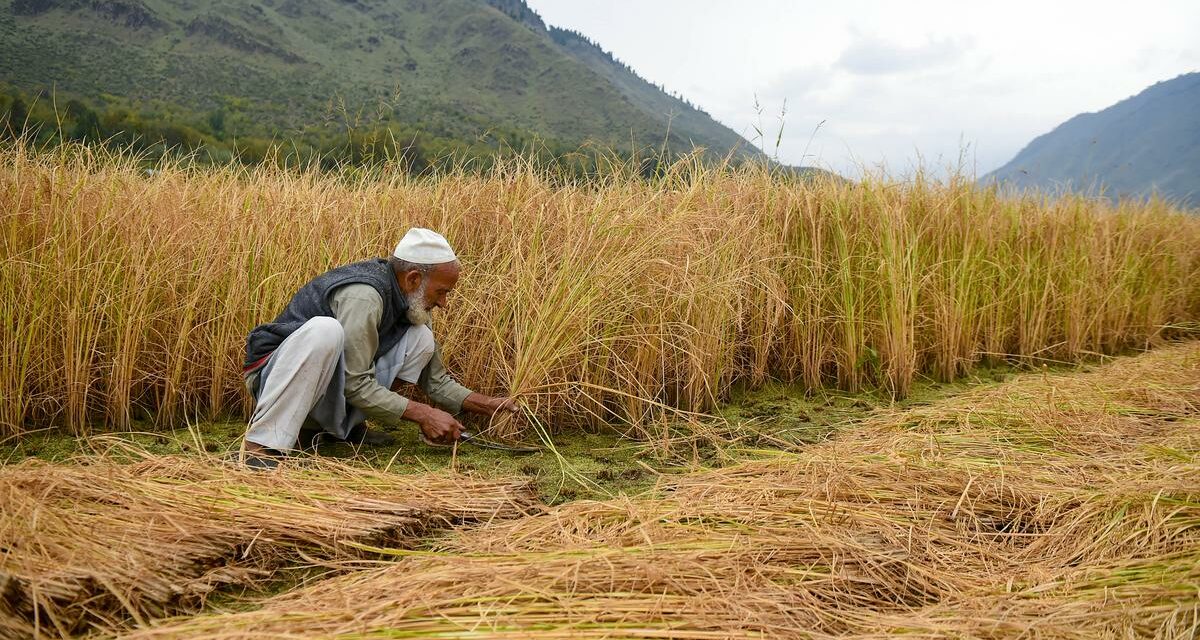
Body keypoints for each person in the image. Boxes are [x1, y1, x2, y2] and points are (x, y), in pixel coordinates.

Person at [239, 228, 517, 468]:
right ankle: (262, 446)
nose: (444, 303)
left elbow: (436, 381)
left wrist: (487, 404)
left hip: (326, 387)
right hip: (273, 380)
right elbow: (354, 382)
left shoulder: (413, 302)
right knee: (325, 331)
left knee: (421, 338)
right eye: (441, 292)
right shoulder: (365, 297)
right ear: (413, 279)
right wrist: (424, 414)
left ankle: (342, 430)